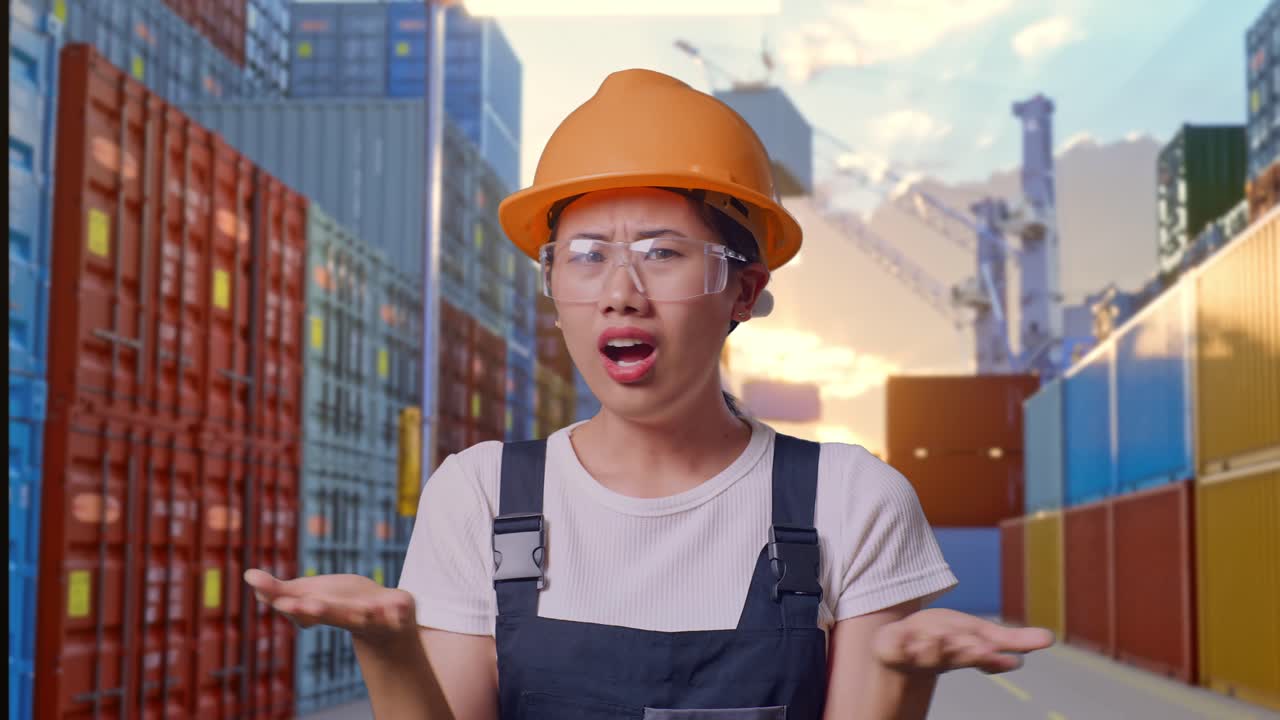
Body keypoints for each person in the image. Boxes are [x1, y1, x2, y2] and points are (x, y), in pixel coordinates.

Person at [245, 69, 1053, 720]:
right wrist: (388, 650)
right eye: (586, 255)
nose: (620, 292)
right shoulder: (480, 495)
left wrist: (899, 683)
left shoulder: (852, 500)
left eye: (664, 253)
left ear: (743, 290)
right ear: (553, 284)